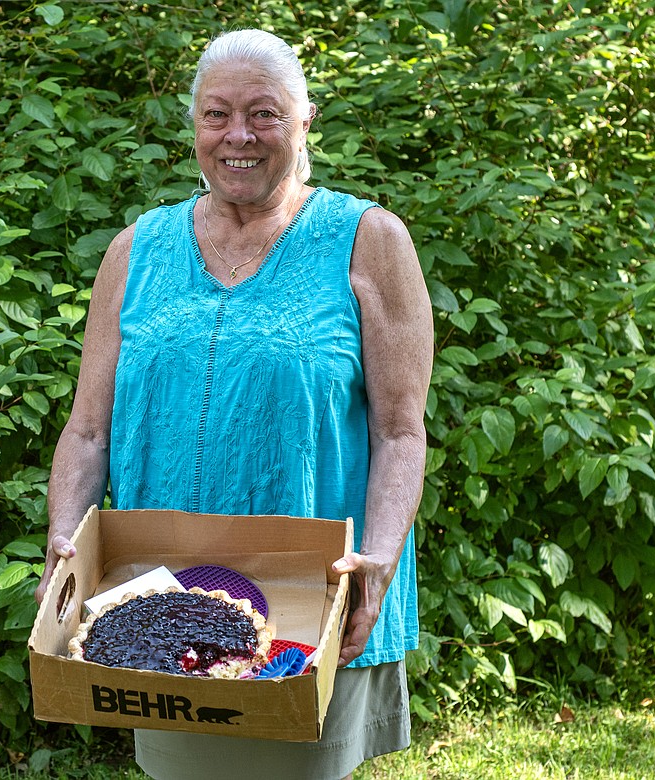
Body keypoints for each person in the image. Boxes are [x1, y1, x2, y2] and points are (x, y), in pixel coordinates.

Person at [34, 27, 433, 780]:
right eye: (217, 115)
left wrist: (377, 560)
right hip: (162, 607)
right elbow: (87, 432)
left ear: (306, 118)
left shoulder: (367, 241)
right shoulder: (137, 250)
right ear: (194, 126)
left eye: (264, 113)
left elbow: (401, 431)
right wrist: (65, 541)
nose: (238, 135)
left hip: (312, 609)